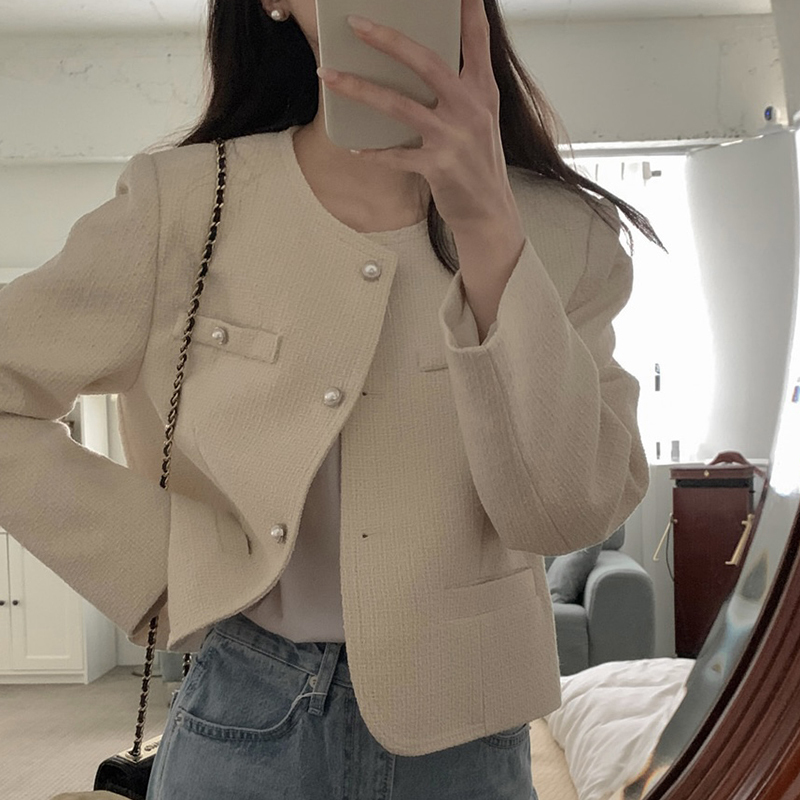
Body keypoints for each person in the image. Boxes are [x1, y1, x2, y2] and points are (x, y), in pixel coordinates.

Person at [0, 0, 664, 797]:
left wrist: (488, 223)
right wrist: (166, 563)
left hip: (468, 732)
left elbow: (565, 515)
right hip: (239, 715)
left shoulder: (565, 233)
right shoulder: (185, 204)